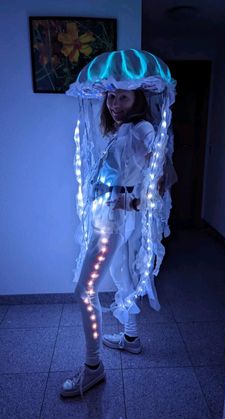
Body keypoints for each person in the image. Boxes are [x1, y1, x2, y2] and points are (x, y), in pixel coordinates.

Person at [60, 88, 172, 398]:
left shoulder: (142, 128)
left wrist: (135, 201)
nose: (114, 104)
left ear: (138, 100)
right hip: (110, 217)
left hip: (113, 222)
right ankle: (131, 338)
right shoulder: (124, 130)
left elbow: (160, 169)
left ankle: (93, 367)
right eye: (111, 97)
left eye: (123, 98)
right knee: (122, 273)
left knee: (84, 289)